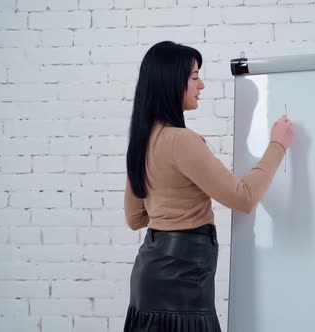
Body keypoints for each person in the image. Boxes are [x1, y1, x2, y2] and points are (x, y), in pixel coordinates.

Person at [123, 41, 294, 332]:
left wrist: (170, 203)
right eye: (194, 77)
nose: (201, 84)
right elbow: (245, 197)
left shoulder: (143, 139)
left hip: (148, 283)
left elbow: (135, 218)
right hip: (182, 287)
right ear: (171, 82)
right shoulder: (182, 141)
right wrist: (278, 144)